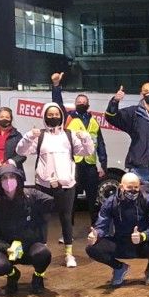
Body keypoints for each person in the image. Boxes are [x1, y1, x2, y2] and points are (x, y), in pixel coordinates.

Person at [15, 102, 94, 267]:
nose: (53, 117)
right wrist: (29, 135)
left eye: (56, 114)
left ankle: (69, 255)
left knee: (66, 219)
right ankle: (41, 252)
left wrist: (85, 137)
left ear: (61, 116)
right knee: (42, 218)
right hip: (44, 184)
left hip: (66, 184)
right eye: (49, 115)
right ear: (44, 116)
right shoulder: (40, 136)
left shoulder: (70, 135)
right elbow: (20, 151)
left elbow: (88, 152)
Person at [105, 81, 149, 250]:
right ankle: (139, 235)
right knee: (135, 204)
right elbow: (111, 117)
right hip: (138, 168)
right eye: (145, 91)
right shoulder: (133, 113)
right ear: (141, 94)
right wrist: (115, 101)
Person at [86, 172, 149, 287]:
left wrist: (143, 235)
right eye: (129, 187)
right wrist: (96, 234)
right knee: (91, 248)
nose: (133, 191)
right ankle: (119, 268)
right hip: (120, 242)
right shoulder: (111, 202)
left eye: (136, 187)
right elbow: (102, 225)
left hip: (141, 243)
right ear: (121, 187)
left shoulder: (148, 200)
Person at [0, 164, 55, 295]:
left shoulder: (31, 196)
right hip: (8, 249)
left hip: (29, 246)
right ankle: (12, 275)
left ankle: (38, 277)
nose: (8, 181)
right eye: (4, 178)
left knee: (43, 254)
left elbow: (52, 203)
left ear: (18, 179)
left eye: (12, 177)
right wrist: (7, 248)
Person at [51, 72, 107, 227]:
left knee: (92, 200)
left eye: (84, 101)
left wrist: (103, 164)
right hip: (73, 165)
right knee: (71, 200)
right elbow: (57, 104)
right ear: (75, 104)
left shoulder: (94, 121)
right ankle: (68, 231)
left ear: (88, 105)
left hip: (89, 165)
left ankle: (96, 228)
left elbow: (100, 144)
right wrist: (56, 86)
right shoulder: (68, 117)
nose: (82, 103)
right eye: (79, 101)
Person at [0, 107, 26, 187]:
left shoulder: (17, 135)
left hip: (13, 173)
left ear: (11, 119)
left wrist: (9, 163)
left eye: (7, 117)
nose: (4, 119)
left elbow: (23, 154)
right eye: (2, 117)